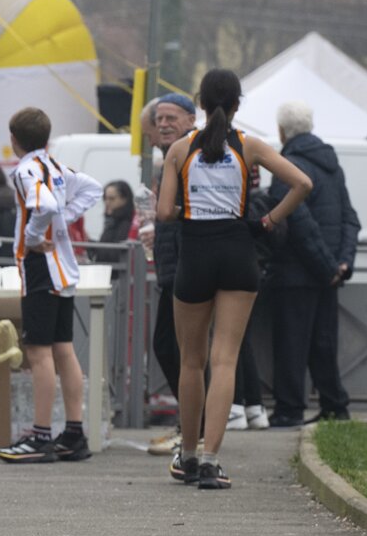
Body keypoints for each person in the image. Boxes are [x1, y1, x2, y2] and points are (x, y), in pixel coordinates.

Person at [156, 69, 311, 489]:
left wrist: (189, 206)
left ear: (200, 104)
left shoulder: (180, 149)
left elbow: (164, 212)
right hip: (239, 253)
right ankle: (211, 461)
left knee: (192, 361)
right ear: (238, 104)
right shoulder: (249, 146)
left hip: (195, 255)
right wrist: (268, 221)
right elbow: (302, 183)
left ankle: (188, 455)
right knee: (225, 359)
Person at [0, 107, 103, 465]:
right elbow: (92, 189)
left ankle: (40, 436)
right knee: (63, 349)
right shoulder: (55, 166)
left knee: (39, 352)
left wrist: (32, 236)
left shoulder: (25, 170)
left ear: (14, 140)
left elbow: (43, 204)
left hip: (40, 267)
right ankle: (73, 433)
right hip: (62, 267)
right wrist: (64, 219)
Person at [264, 99, 359, 427]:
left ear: (281, 131)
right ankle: (334, 405)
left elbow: (299, 225)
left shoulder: (286, 168)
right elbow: (350, 218)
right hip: (327, 275)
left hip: (296, 274)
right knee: (323, 343)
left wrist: (327, 267)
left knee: (291, 344)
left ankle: (289, 410)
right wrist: (342, 263)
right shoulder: (333, 166)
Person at [146, 93, 198, 458]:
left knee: (178, 348)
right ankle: (191, 425)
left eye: (171, 118)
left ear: (191, 120)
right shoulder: (168, 158)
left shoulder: (190, 156)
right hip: (171, 267)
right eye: (159, 119)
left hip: (187, 266)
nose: (163, 124)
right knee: (172, 347)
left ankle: (194, 429)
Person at [92, 179, 136, 264]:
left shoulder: (127, 224)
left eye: (112, 199)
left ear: (125, 199)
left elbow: (115, 253)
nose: (107, 202)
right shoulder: (111, 221)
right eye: (105, 198)